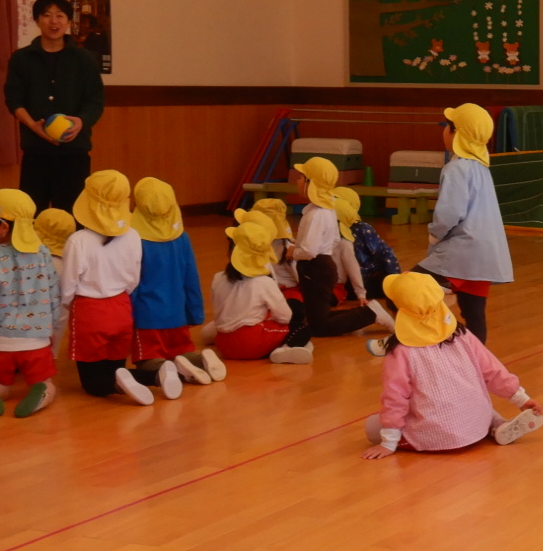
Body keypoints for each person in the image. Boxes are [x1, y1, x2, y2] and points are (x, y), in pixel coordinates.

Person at [362, 273, 543, 458]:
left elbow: (395, 396)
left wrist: (388, 443)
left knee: (372, 426)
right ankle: (496, 424)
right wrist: (521, 399)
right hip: (475, 425)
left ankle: (486, 426)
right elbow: (493, 371)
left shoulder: (400, 350)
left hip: (436, 437)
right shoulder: (462, 334)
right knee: (471, 397)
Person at [60, 168, 159, 404]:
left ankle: (120, 385)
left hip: (89, 311)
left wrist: (68, 305)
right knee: (116, 368)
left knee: (92, 382)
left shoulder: (78, 241)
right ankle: (154, 375)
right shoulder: (133, 235)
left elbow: (68, 286)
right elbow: (133, 279)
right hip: (122, 308)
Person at [417, 103, 513, 341]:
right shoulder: (481, 167)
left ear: (456, 133)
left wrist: (435, 234)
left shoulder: (456, 168)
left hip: (462, 252)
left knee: (408, 291)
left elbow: (450, 212)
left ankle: (424, 342)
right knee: (474, 316)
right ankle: (475, 360)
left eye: (447, 126)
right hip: (484, 255)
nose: (444, 131)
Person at [3, 0, 105, 215]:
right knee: (31, 214)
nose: (53, 21)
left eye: (60, 15)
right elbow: (13, 99)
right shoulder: (21, 58)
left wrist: (81, 122)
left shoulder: (84, 59)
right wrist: (33, 126)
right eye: (47, 15)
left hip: (74, 151)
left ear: (68, 22)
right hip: (35, 151)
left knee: (72, 215)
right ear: (37, 20)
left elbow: (95, 100)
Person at [0, 189, 59, 419]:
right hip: (36, 342)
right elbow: (54, 296)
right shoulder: (43, 254)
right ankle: (42, 391)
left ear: (3, 226)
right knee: (46, 382)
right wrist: (51, 329)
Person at [287, 157, 393, 354]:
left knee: (320, 326)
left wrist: (294, 252)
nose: (297, 181)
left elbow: (309, 251)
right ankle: (368, 312)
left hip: (315, 268)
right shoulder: (324, 209)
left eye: (301, 177)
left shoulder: (316, 214)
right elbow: (334, 240)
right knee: (317, 319)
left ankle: (370, 314)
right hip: (320, 266)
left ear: (311, 183)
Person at [128, 176, 219, 385]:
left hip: (147, 319)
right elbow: (191, 278)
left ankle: (168, 370)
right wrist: (194, 313)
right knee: (182, 351)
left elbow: (132, 284)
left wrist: (127, 318)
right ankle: (199, 361)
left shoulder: (134, 240)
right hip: (178, 316)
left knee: (148, 360)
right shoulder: (182, 237)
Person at [210, 212, 299, 362]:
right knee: (300, 329)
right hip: (249, 342)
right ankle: (282, 351)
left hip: (223, 345)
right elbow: (285, 317)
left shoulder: (218, 278)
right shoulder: (263, 282)